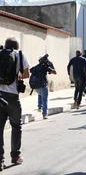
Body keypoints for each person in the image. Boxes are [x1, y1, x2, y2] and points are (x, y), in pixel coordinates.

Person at [0, 38, 30, 170]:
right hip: (12, 97)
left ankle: (0, 160)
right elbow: (26, 74)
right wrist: (17, 75)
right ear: (16, 46)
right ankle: (15, 156)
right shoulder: (20, 54)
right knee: (16, 126)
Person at [30, 54, 56, 119]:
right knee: (45, 99)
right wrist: (50, 64)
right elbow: (54, 72)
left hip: (35, 87)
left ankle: (39, 107)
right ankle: (44, 114)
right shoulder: (45, 67)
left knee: (40, 94)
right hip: (43, 86)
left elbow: (30, 70)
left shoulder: (35, 67)